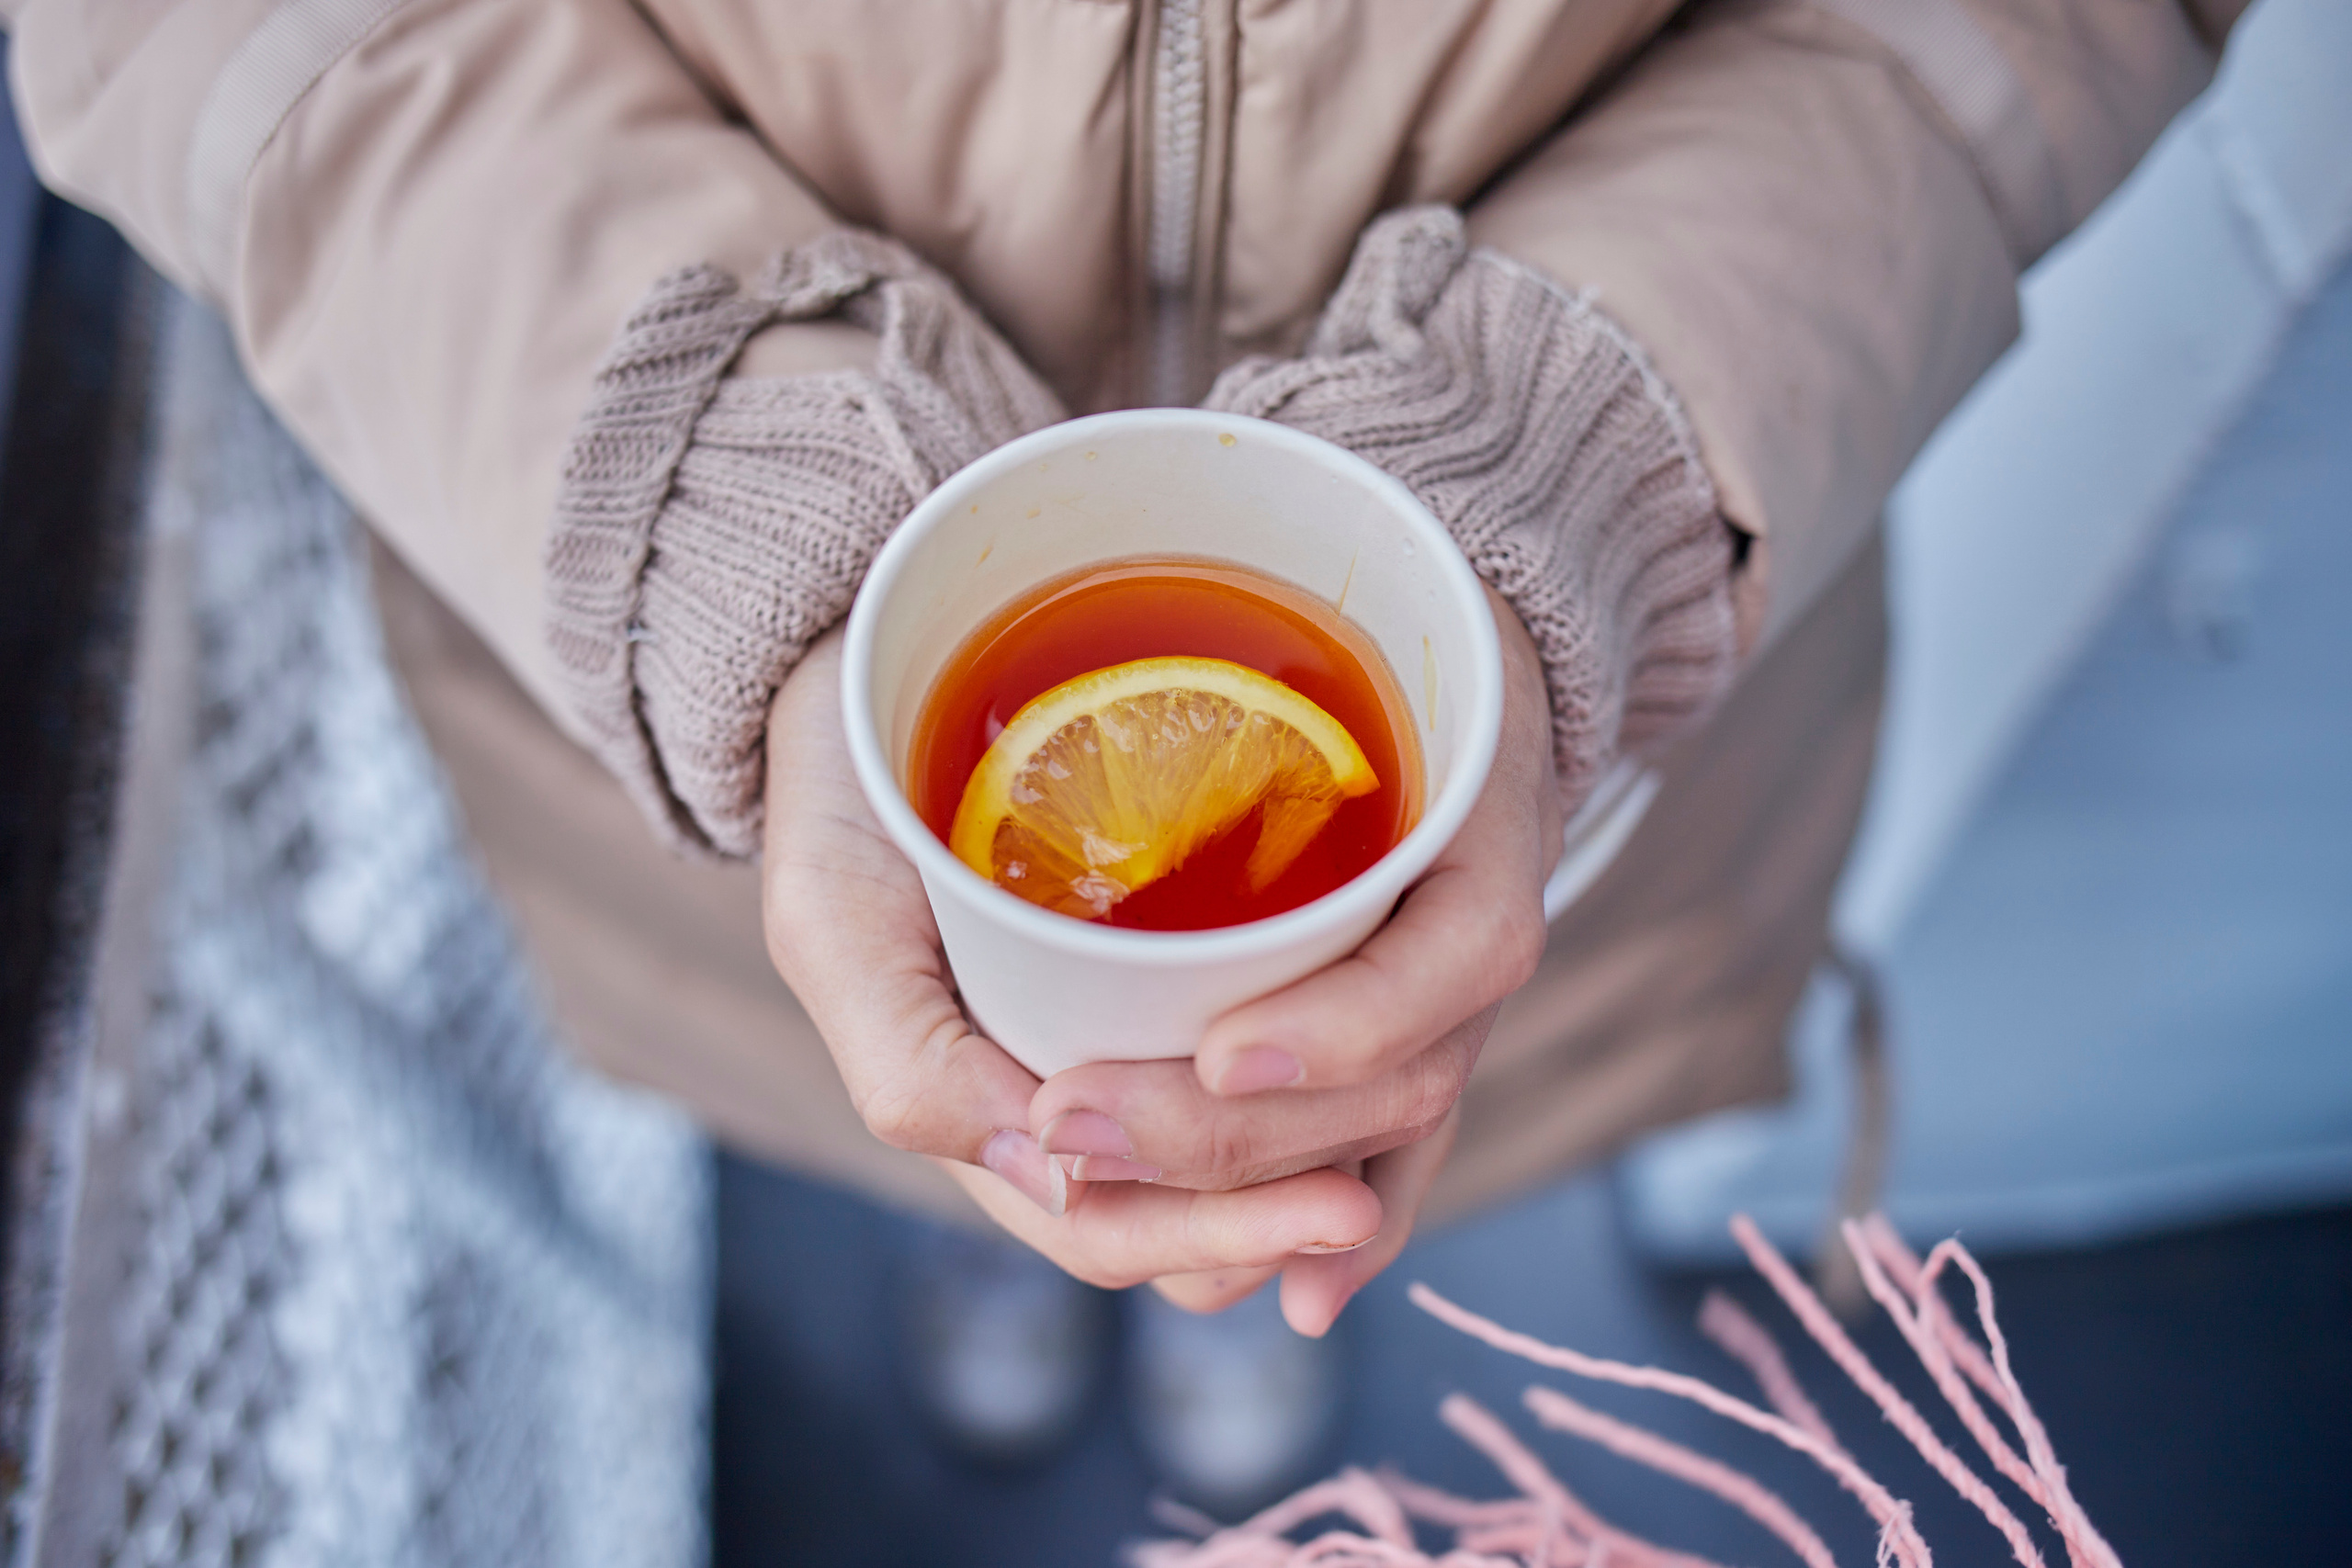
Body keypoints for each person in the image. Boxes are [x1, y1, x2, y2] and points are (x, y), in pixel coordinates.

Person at [6, 0, 2240, 1503]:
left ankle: (1222, 1293)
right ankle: (1016, 1235)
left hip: (1558, 721)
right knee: (926, 1097)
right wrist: (711, 479)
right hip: (703, 670)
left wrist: (1572, 445)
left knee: (1332, 1134)